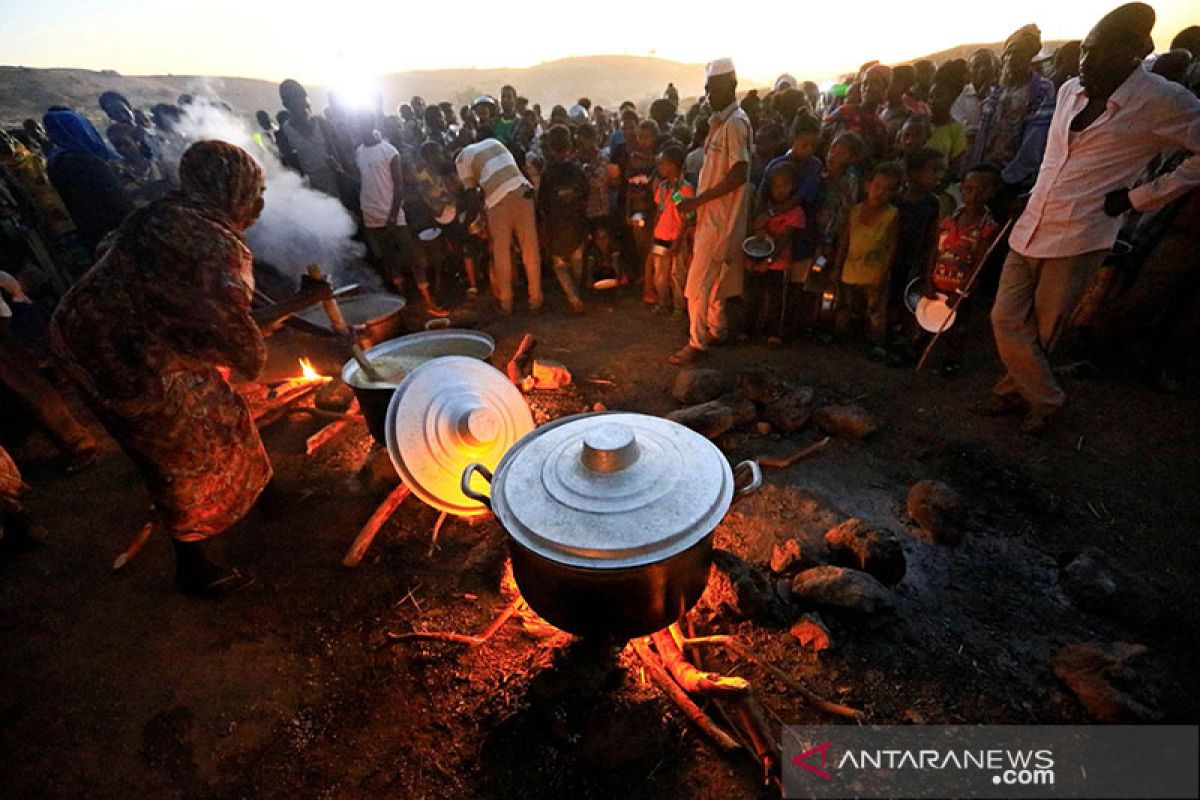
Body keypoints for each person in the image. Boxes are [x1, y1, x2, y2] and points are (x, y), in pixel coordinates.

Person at [50, 141, 274, 595]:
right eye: (256, 193)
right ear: (236, 191)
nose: (260, 205)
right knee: (175, 452)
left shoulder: (165, 212)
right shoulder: (214, 246)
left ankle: (268, 495)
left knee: (228, 414)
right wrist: (297, 305)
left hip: (91, 328)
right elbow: (229, 329)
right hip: (121, 356)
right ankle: (193, 566)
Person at [977, 2, 1200, 435]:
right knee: (1004, 316)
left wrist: (1141, 197)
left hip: (1082, 231)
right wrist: (1033, 191)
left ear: (1133, 52)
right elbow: (1055, 157)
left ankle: (1016, 394)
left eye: (1098, 52)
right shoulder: (1070, 90)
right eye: (1085, 51)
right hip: (1034, 219)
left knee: (1044, 328)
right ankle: (1047, 397)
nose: (1086, 61)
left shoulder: (1160, 99)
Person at [669, 58, 752, 366]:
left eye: (713, 89)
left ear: (731, 85)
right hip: (713, 216)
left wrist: (698, 200)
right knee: (715, 280)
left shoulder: (735, 123)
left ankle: (696, 342)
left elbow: (738, 172)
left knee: (698, 283)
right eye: (706, 89)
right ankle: (717, 329)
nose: (708, 95)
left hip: (720, 219)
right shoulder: (722, 122)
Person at [354, 113, 445, 316]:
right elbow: (364, 181)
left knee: (414, 258)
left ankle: (428, 301)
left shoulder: (389, 152)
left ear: (370, 124)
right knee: (390, 260)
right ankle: (403, 304)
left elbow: (399, 186)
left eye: (361, 123)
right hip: (371, 216)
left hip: (392, 215)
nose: (359, 127)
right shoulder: (359, 151)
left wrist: (393, 215)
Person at [921, 164, 1001, 376]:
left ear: (991, 192)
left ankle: (952, 359)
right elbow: (934, 251)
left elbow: (980, 262)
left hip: (962, 287)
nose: (973, 195)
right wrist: (928, 279)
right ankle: (920, 349)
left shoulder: (987, 228)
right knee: (930, 315)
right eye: (968, 188)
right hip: (939, 279)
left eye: (980, 189)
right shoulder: (949, 220)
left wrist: (962, 291)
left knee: (958, 325)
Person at [969, 24, 1057, 199]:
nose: (1012, 58)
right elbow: (983, 134)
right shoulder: (1000, 90)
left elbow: (1035, 140)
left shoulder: (1042, 89)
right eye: (1009, 53)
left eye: (1019, 53)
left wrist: (1008, 177)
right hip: (986, 176)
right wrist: (975, 169)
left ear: (1029, 57)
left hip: (1014, 182)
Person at [455, 138, 542, 314]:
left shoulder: (460, 159)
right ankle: (536, 299)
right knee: (530, 249)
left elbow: (471, 196)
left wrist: (466, 224)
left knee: (501, 252)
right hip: (523, 191)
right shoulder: (493, 142)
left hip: (498, 201)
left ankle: (506, 303)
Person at [832, 161, 903, 356]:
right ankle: (842, 334)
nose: (880, 192)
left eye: (887, 189)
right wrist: (837, 268)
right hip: (851, 267)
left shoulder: (891, 215)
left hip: (874, 270)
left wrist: (883, 273)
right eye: (877, 186)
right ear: (867, 185)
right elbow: (844, 242)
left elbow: (891, 247)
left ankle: (875, 341)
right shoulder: (854, 211)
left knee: (875, 309)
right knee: (845, 304)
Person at [41, 109, 134, 253]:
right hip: (119, 231)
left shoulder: (56, 161)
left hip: (93, 234)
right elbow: (117, 200)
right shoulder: (85, 161)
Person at [745, 163, 806, 345]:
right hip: (757, 258)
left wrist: (769, 260)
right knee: (754, 296)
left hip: (779, 263)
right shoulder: (764, 208)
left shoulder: (796, 213)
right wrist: (758, 233)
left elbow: (784, 240)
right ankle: (748, 329)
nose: (780, 190)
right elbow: (753, 227)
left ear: (793, 186)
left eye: (785, 185)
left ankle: (774, 333)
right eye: (776, 185)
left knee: (776, 300)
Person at [536, 125, 589, 313]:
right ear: (570, 147)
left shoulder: (547, 174)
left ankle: (573, 298)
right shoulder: (578, 171)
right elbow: (585, 198)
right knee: (577, 264)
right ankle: (578, 293)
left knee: (559, 266)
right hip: (576, 225)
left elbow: (542, 204)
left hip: (556, 227)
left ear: (549, 148)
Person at [275, 79, 345, 198]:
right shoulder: (284, 135)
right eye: (293, 100)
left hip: (338, 185)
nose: (299, 103)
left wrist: (340, 170)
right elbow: (290, 167)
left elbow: (341, 153)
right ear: (286, 105)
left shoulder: (323, 124)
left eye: (300, 97)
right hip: (311, 194)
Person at [649, 145, 695, 318]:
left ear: (673, 166)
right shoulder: (663, 188)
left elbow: (687, 217)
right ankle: (663, 302)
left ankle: (678, 306)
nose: (659, 167)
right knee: (660, 273)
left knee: (677, 274)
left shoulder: (684, 189)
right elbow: (659, 211)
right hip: (661, 235)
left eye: (662, 164)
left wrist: (678, 241)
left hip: (677, 237)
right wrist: (654, 233)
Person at [822, 64, 891, 161]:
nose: (868, 88)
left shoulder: (880, 127)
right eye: (865, 83)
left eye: (875, 82)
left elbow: (877, 159)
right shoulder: (844, 112)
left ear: (885, 89)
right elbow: (822, 137)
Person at [952, 49, 999, 155]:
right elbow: (965, 131)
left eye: (987, 65)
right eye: (976, 66)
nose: (983, 69)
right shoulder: (959, 96)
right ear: (969, 72)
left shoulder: (1001, 95)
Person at [927, 61, 970, 176]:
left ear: (952, 97)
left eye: (940, 96)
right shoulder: (920, 124)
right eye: (931, 96)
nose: (933, 101)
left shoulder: (957, 130)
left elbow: (955, 166)